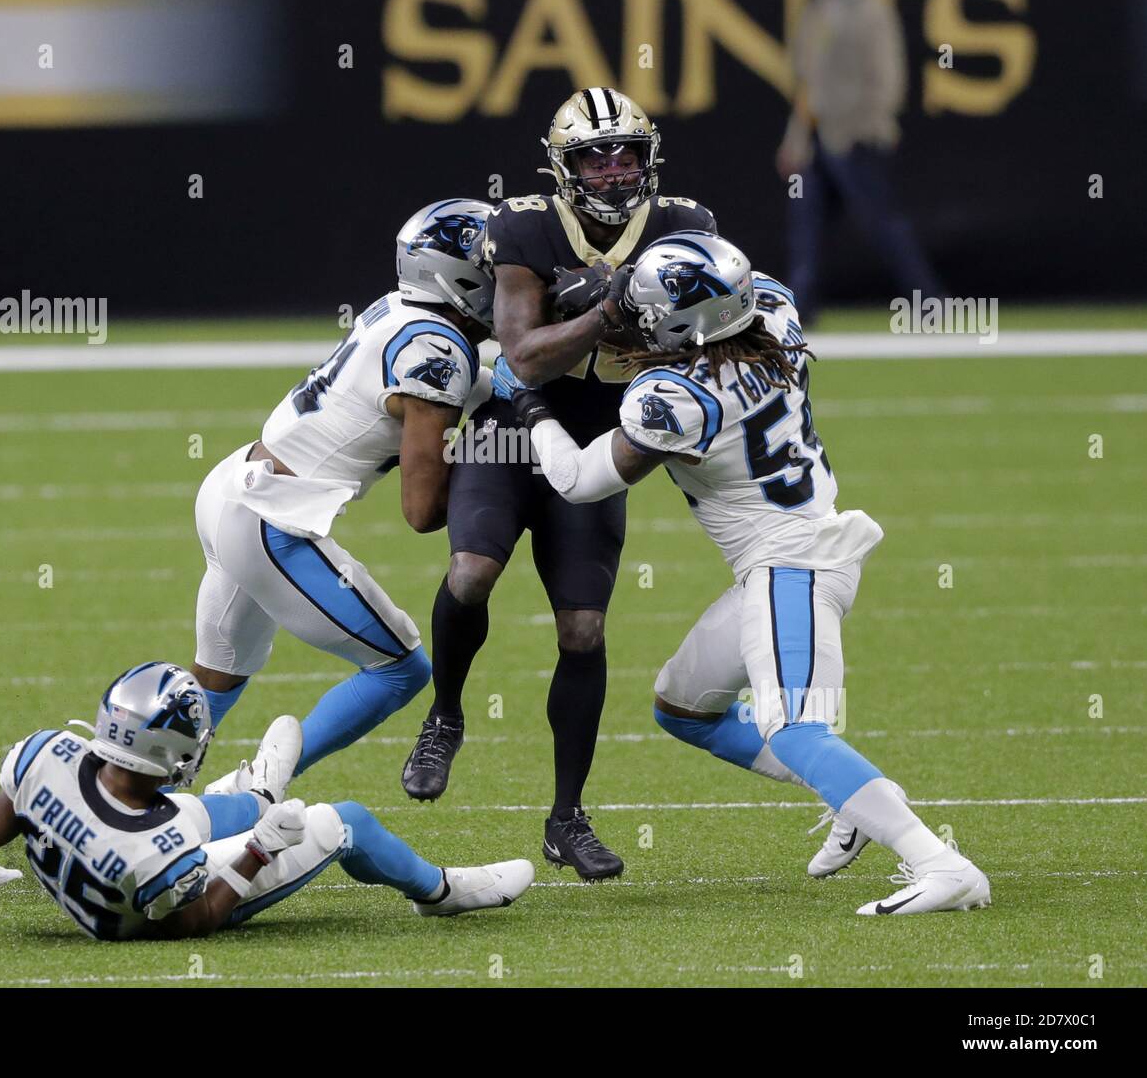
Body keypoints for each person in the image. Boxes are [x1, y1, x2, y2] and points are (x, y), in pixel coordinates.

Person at [508, 231, 991, 914]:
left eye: (640, 310)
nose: (628, 316)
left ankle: (940, 863)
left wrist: (529, 405)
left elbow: (581, 480)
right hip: (792, 550)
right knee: (684, 707)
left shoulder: (675, 396)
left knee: (796, 731)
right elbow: (718, 287)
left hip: (791, 567)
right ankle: (849, 796)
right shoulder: (773, 308)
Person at [400, 88, 717, 881]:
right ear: (563, 168)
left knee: (583, 631)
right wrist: (606, 310)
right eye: (594, 157)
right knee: (470, 571)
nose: (613, 172)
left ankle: (566, 817)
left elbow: (710, 332)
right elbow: (522, 357)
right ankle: (444, 716)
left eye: (625, 155)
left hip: (600, 436)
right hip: (516, 424)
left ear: (650, 160)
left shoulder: (687, 226)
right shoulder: (525, 225)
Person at [189, 200, 496, 786]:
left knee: (215, 681)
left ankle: (123, 801)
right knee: (400, 670)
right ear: (459, 278)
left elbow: (456, 376)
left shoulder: (406, 308)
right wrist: (493, 472)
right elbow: (422, 510)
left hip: (233, 485)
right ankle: (252, 789)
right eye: (496, 269)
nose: (509, 280)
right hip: (270, 521)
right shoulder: (436, 352)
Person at [0, 662, 534, 938]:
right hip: (145, 914)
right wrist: (257, 851)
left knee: (194, 813)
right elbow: (194, 921)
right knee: (341, 822)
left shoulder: (47, 757)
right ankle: (440, 892)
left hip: (121, 861)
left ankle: (256, 793)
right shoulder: (159, 846)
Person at [776, 0, 942, 322]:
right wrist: (795, 139)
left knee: (883, 224)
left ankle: (928, 299)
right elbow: (808, 85)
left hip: (854, 137)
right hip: (817, 138)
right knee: (806, 228)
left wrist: (859, 129)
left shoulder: (871, 12)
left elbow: (888, 81)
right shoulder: (815, 11)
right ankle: (799, 309)